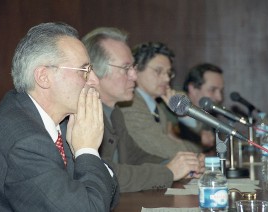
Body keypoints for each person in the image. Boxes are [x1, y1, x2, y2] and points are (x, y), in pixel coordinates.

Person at [0, 22, 119, 211]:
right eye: (84, 71)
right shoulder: (24, 141)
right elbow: (90, 207)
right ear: (43, 77)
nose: (95, 80)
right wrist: (87, 150)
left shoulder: (57, 124)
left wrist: (84, 151)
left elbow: (108, 197)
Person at [82, 27, 205, 192]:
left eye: (133, 67)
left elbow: (135, 158)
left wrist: (179, 167)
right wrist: (168, 172)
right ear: (95, 71)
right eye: (126, 68)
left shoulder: (115, 113)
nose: (134, 76)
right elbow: (103, 172)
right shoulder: (81, 114)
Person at [120, 42, 201, 159]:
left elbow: (200, 140)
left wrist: (182, 113)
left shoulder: (158, 108)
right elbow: (164, 149)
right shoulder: (130, 105)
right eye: (158, 71)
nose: (167, 78)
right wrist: (196, 154)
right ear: (136, 70)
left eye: (169, 73)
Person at [178, 63, 224, 153]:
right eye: (212, 90)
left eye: (221, 91)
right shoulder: (174, 110)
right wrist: (198, 137)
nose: (219, 97)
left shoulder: (208, 115)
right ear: (193, 89)